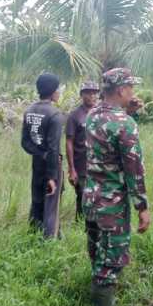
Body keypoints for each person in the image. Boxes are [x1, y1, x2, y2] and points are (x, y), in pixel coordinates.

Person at [83, 67, 151, 306]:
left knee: (97, 250)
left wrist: (126, 111)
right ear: (122, 90)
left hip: (91, 199)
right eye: (130, 88)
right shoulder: (125, 125)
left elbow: (107, 128)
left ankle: (98, 294)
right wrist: (142, 207)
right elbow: (134, 171)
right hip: (112, 204)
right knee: (111, 258)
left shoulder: (91, 115)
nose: (133, 92)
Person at [21, 72, 64, 239]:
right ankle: (50, 240)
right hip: (52, 165)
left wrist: (41, 154)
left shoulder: (29, 110)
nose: (59, 92)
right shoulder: (54, 114)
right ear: (52, 91)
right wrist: (52, 176)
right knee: (52, 205)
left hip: (37, 163)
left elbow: (25, 142)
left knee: (37, 200)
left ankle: (32, 235)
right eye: (58, 89)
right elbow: (54, 148)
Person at [65, 81, 100, 221]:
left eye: (94, 92)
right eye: (88, 92)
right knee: (82, 195)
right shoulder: (75, 116)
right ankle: (79, 223)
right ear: (81, 95)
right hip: (81, 165)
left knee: (99, 196)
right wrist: (71, 169)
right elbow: (69, 142)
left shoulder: (101, 113)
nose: (91, 95)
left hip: (100, 164)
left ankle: (95, 223)